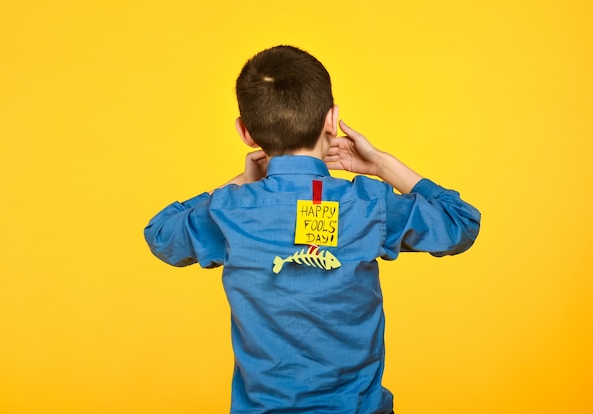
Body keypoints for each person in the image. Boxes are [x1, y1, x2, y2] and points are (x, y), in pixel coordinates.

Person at [144, 45, 481, 414]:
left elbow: (162, 236)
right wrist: (383, 165)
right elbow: (460, 223)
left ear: (246, 132)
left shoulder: (229, 211)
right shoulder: (368, 203)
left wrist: (238, 183)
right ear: (331, 119)